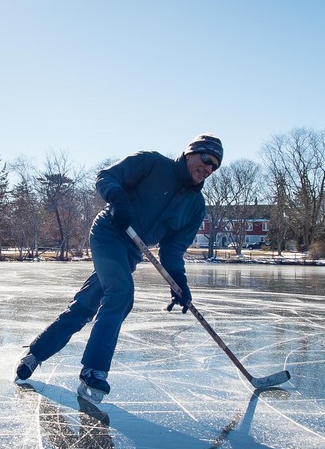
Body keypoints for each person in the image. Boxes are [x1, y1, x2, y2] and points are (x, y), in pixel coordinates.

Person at [16, 135, 222, 402]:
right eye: (206, 159)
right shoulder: (152, 163)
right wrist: (119, 201)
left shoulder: (196, 207)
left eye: (214, 167)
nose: (208, 168)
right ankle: (94, 369)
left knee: (85, 306)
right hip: (109, 232)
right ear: (189, 153)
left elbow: (172, 250)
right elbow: (105, 177)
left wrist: (179, 282)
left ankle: (35, 354)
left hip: (132, 251)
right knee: (121, 294)